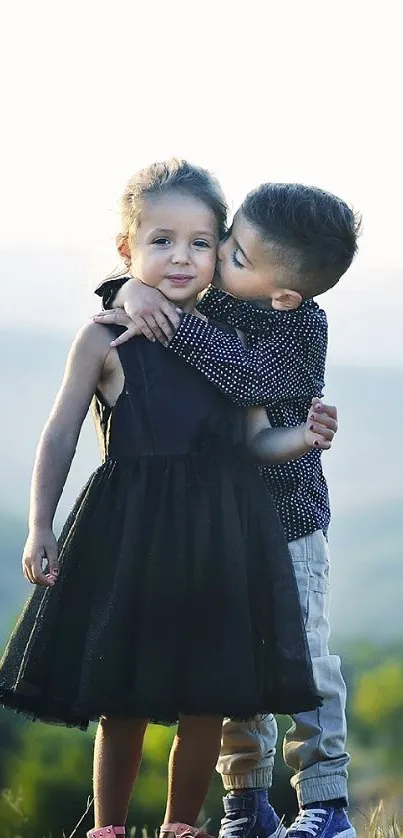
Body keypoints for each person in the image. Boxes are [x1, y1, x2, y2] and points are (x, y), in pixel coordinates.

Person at [0, 160, 338, 838]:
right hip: (131, 539)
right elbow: (62, 430)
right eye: (160, 241)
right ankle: (111, 828)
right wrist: (41, 524)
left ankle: (184, 826)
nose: (181, 257)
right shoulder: (106, 333)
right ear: (127, 249)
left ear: (220, 252)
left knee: (206, 699)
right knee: (119, 694)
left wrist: (301, 438)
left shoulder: (230, 339)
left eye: (200, 242)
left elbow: (253, 442)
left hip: (219, 545)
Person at [94, 178, 361, 838]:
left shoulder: (299, 328)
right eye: (225, 242)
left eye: (231, 254)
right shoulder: (223, 295)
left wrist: (168, 315)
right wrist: (126, 291)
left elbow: (240, 377)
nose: (212, 261)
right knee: (234, 664)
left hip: (289, 523)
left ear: (283, 292)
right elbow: (155, 273)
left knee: (302, 659)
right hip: (221, 525)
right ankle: (247, 801)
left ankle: (324, 805)